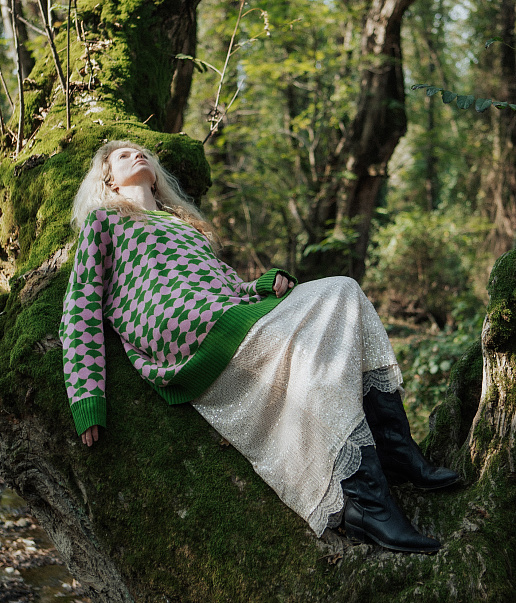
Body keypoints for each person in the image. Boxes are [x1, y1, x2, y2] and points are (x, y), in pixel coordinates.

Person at [60, 140, 460, 555]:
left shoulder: (185, 226)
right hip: (183, 335)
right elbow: (80, 307)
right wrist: (87, 399)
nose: (137, 154)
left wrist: (264, 285)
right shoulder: (105, 221)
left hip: (226, 314)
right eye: (123, 155)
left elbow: (227, 287)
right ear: (109, 179)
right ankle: (369, 501)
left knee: (344, 291)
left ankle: (394, 449)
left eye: (141, 151)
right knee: (313, 346)